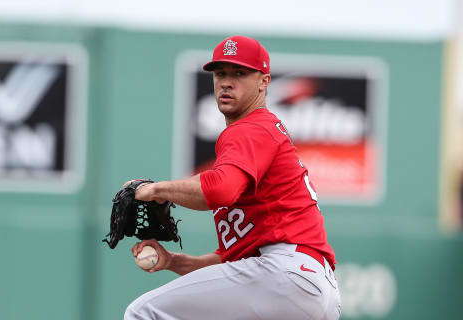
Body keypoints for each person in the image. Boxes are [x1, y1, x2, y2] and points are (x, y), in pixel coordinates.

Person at [124, 35, 341, 320]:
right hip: (307, 289)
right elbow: (237, 267)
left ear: (264, 81)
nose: (226, 82)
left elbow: (220, 189)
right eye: (221, 73)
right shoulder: (261, 136)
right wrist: (174, 261)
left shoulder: (250, 128)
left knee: (143, 312)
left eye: (239, 73)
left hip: (285, 275)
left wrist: (153, 190)